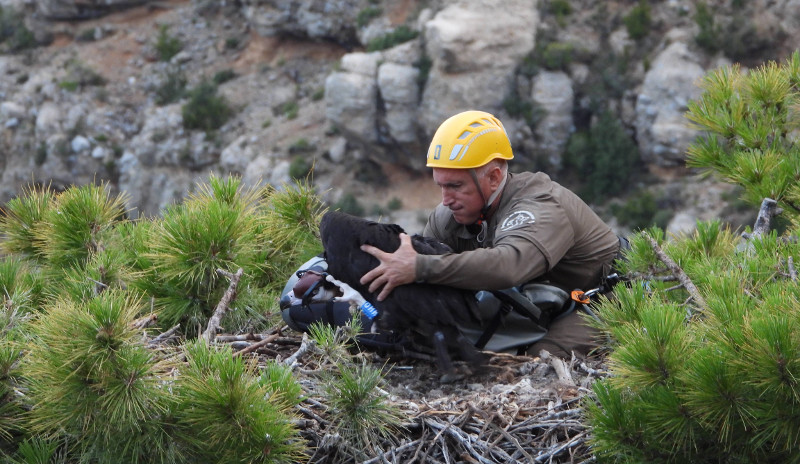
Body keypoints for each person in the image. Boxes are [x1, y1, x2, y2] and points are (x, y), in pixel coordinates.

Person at [358, 110, 622, 358]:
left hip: (603, 300)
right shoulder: (450, 214)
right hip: (540, 302)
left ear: (494, 177)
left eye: (456, 186)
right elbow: (428, 269)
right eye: (440, 186)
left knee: (539, 362)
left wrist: (419, 267)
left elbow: (509, 266)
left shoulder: (541, 205)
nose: (446, 199)